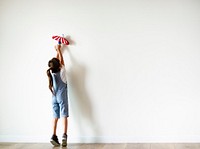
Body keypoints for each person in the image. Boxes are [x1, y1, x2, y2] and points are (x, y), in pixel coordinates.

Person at [46, 44, 68, 147]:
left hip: (53, 97)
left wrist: (58, 51)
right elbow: (61, 62)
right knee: (64, 115)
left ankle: (53, 136)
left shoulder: (51, 72)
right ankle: (64, 135)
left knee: (55, 117)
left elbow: (55, 63)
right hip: (61, 97)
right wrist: (59, 50)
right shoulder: (62, 71)